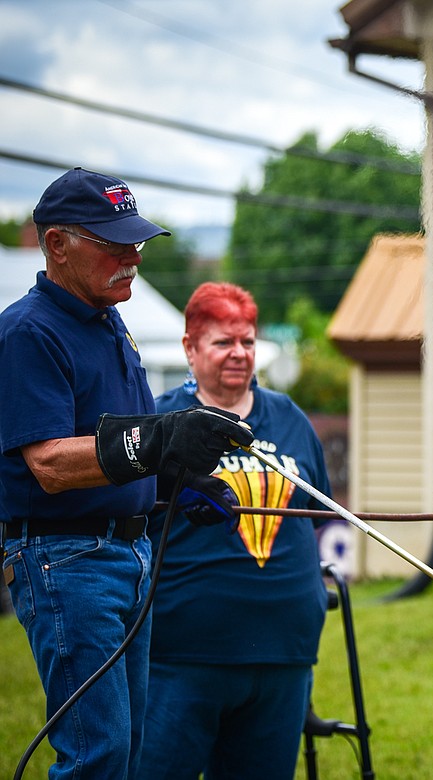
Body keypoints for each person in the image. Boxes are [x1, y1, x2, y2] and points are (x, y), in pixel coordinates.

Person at [0, 167, 252, 779]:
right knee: (98, 754)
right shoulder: (29, 332)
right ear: (56, 245)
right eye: (112, 243)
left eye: (136, 240)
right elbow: (52, 464)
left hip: (126, 553)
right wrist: (165, 437)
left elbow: (119, 446)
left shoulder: (110, 320)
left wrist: (175, 483)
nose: (132, 257)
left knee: (128, 750)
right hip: (67, 562)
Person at [139, 282, 333, 779]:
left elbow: (317, 516)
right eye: (223, 342)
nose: (239, 354)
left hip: (283, 654)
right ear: (190, 347)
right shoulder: (162, 422)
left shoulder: (289, 418)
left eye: (247, 341)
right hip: (181, 655)